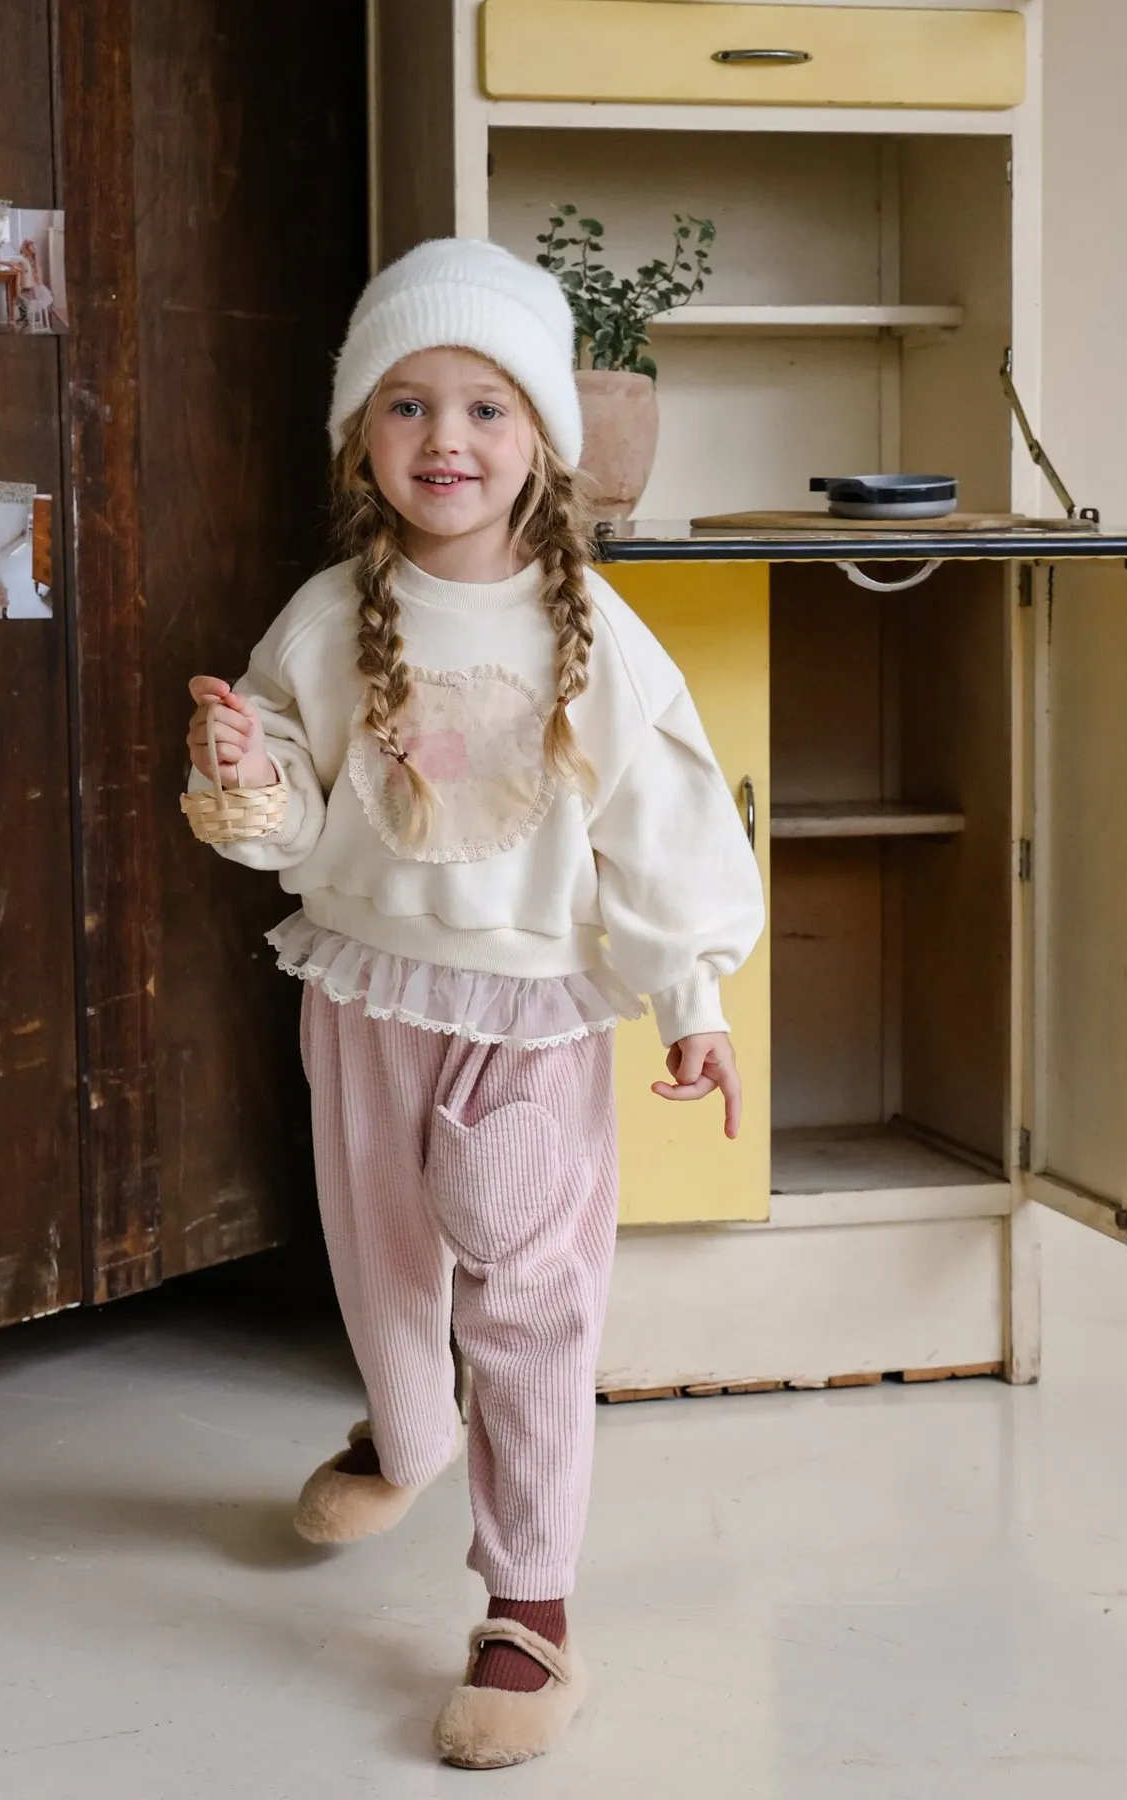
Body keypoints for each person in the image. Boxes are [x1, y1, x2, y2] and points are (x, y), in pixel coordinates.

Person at [184, 238, 764, 1769]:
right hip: (367, 994)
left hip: (535, 1021)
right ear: (362, 439)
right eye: (408, 405)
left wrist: (690, 997)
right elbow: (294, 819)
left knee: (526, 1298)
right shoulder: (327, 618)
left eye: (487, 408)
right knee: (381, 1269)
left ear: (542, 443)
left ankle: (530, 1608)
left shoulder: (596, 638)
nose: (446, 438)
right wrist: (248, 773)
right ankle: (409, 1430)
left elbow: (665, 829)